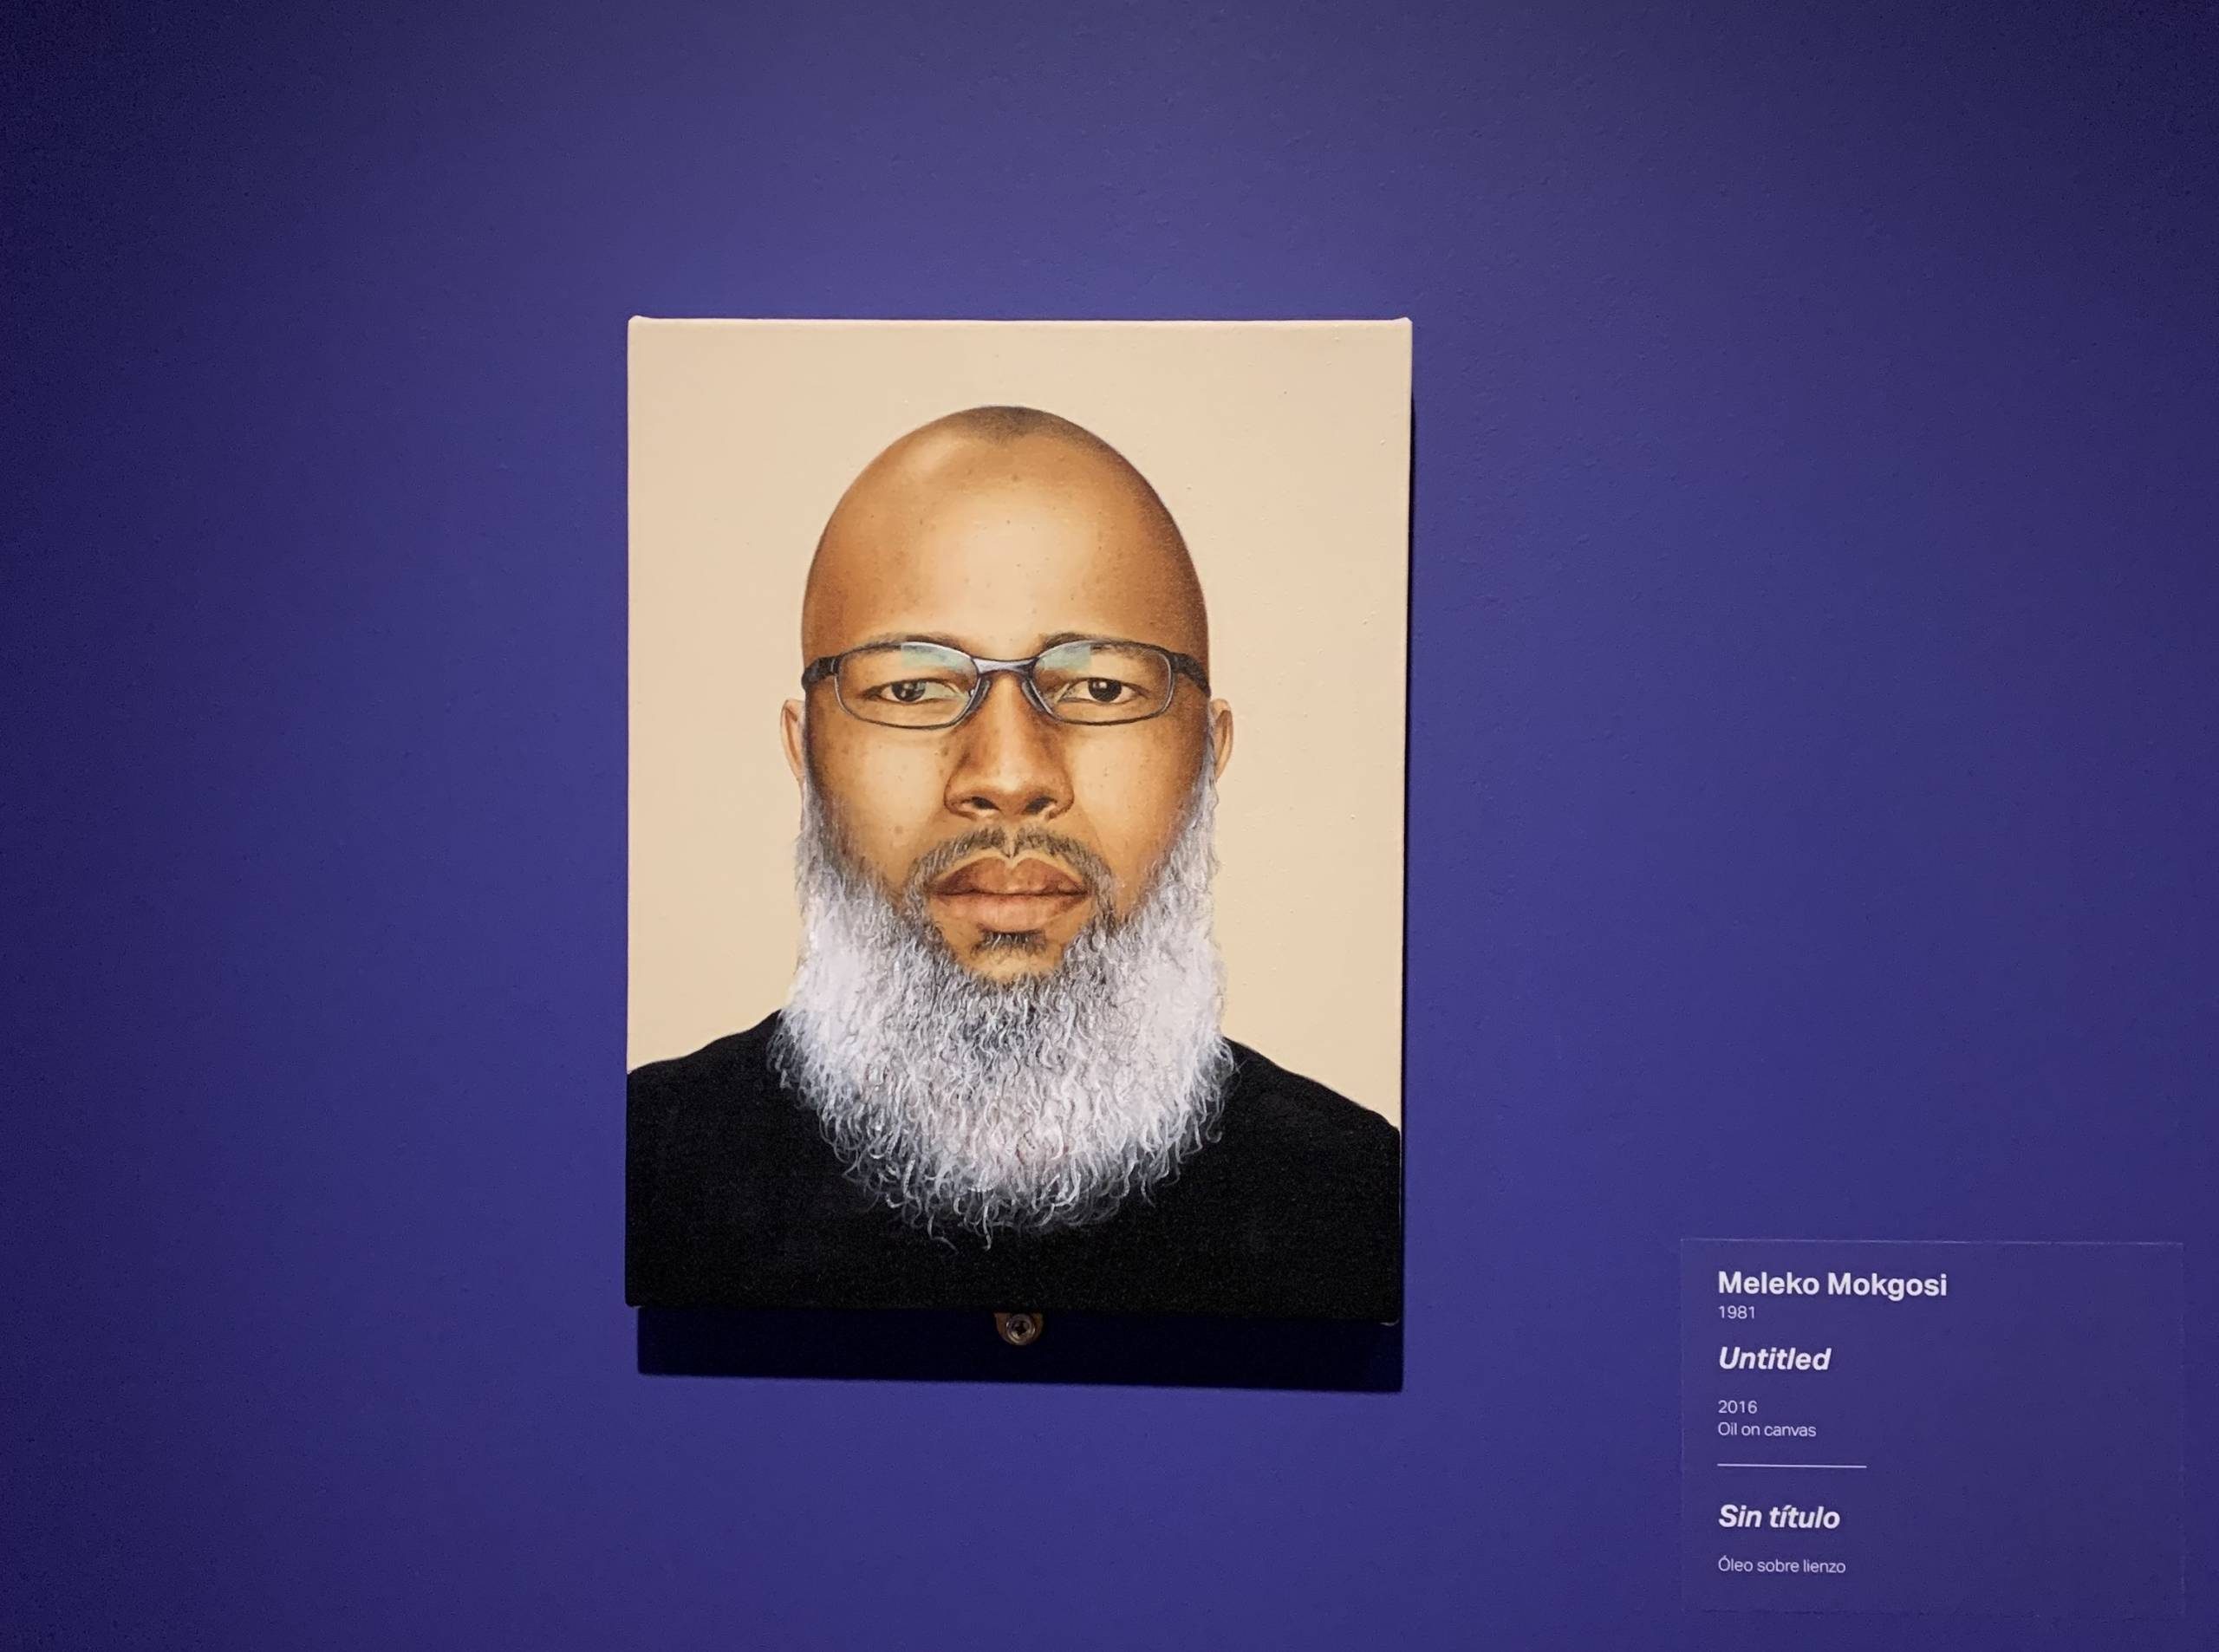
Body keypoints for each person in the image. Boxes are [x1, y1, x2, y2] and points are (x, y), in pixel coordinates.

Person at [628, 406, 1400, 1319]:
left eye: (1100, 687)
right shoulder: (641, 1171)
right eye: (911, 687)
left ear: (1207, 751)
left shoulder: (1360, 1200)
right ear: (805, 751)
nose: (1007, 775)